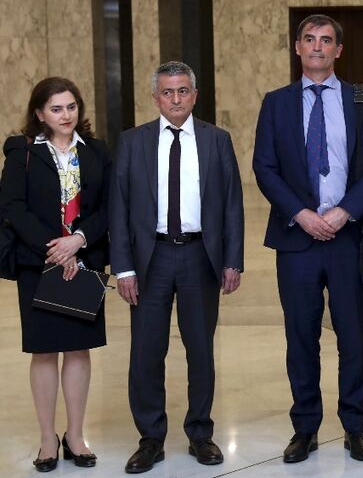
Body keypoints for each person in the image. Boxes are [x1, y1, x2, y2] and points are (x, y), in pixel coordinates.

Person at [253, 14, 363, 464]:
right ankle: (305, 428)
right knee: (301, 338)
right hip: (297, 240)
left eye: (326, 40)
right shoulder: (276, 103)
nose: (317, 46)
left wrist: (343, 212)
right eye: (309, 39)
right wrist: (303, 214)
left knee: (353, 337)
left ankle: (355, 427)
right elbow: (265, 168)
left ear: (338, 50)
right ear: (297, 47)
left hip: (349, 237)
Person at [109, 61, 244, 474]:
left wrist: (232, 260)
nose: (175, 99)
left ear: (195, 95)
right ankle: (151, 438)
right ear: (155, 98)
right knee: (147, 353)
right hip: (151, 259)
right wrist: (124, 269)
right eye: (167, 92)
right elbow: (119, 208)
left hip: (199, 257)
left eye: (183, 91)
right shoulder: (133, 142)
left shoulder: (216, 140)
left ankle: (200, 433)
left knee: (200, 350)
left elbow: (232, 204)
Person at [0, 77, 111, 472]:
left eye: (71, 106)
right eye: (56, 108)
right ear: (39, 114)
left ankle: (75, 435)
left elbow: (110, 207)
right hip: (39, 264)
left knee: (78, 350)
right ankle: (48, 438)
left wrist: (77, 241)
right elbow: (12, 207)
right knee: (45, 351)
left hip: (83, 263)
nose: (66, 115)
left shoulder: (96, 152)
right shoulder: (22, 152)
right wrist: (54, 248)